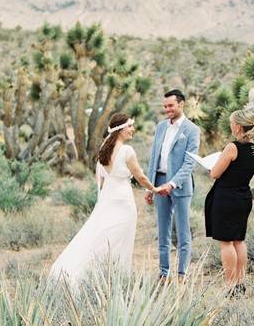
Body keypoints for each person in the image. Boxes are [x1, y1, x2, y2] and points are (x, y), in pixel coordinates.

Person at [49, 112, 156, 288]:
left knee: (100, 235)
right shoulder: (127, 151)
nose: (132, 129)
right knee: (120, 239)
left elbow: (101, 180)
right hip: (123, 200)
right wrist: (154, 189)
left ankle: (99, 276)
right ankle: (115, 279)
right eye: (129, 126)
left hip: (108, 198)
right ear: (120, 129)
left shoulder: (104, 148)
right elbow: (141, 177)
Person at [204, 92, 254, 292]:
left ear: (237, 126)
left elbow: (215, 173)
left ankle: (229, 284)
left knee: (226, 242)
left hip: (226, 197)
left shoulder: (232, 148)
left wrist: (211, 166)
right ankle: (240, 282)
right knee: (239, 240)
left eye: (231, 123)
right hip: (244, 196)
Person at [146, 89, 200, 281]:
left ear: (181, 104)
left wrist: (173, 183)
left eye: (170, 105)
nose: (167, 109)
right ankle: (163, 272)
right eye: (165, 106)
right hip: (159, 182)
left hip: (180, 186)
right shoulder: (160, 127)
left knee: (183, 231)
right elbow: (154, 157)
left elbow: (189, 163)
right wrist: (149, 186)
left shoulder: (192, 130)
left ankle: (182, 273)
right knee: (163, 229)